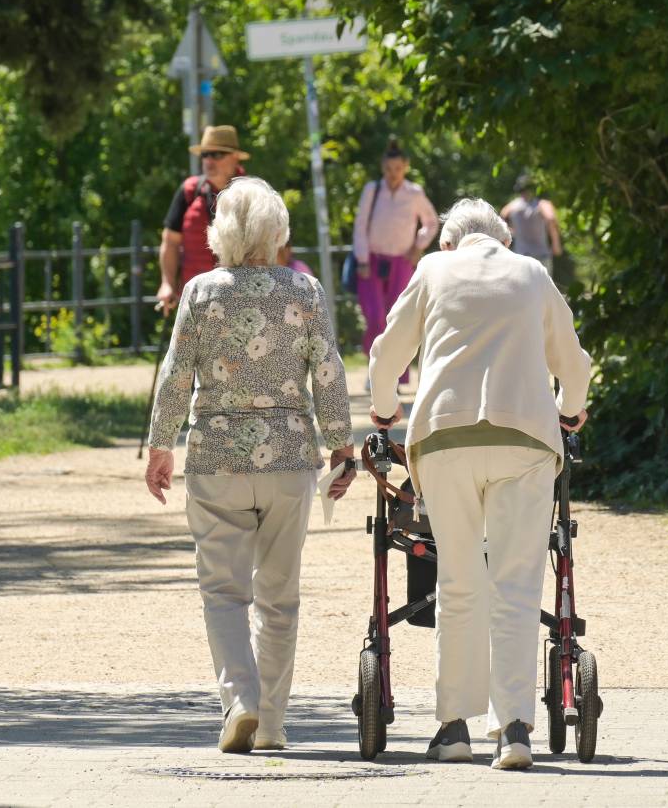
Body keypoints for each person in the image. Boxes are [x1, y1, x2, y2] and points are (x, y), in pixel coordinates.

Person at [368, 198, 591, 770]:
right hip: (525, 440)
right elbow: (574, 362)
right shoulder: (531, 273)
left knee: (459, 582)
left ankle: (454, 728)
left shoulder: (433, 270)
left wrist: (385, 411)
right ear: (506, 241)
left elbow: (386, 352)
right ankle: (514, 729)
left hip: (447, 440)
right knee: (516, 586)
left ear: (448, 243)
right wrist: (571, 410)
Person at [144, 176, 356, 754]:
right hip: (289, 458)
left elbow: (175, 373)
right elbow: (329, 374)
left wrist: (161, 445)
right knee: (279, 596)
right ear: (278, 231)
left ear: (220, 234)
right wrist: (342, 446)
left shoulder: (201, 292)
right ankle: (273, 725)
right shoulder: (305, 293)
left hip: (216, 457)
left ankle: (240, 698)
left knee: (223, 591)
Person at [351, 138, 439, 381]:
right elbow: (360, 224)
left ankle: (396, 375)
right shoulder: (372, 189)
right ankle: (375, 370)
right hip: (372, 260)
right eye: (389, 169)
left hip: (401, 262)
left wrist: (418, 245)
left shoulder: (414, 193)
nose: (393, 174)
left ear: (406, 167)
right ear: (382, 167)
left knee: (398, 318)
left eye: (398, 169)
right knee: (375, 316)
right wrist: (362, 258)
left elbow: (431, 222)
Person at [156, 125, 249, 314]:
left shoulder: (253, 194)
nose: (209, 161)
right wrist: (167, 284)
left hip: (243, 301)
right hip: (197, 300)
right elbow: (170, 242)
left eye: (217, 154)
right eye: (205, 154)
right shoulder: (189, 191)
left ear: (235, 157)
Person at [500, 173, 562, 274]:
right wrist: (556, 244)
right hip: (541, 255)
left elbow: (501, 222)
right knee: (543, 288)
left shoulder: (511, 207)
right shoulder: (542, 204)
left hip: (521, 256)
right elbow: (551, 218)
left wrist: (514, 233)